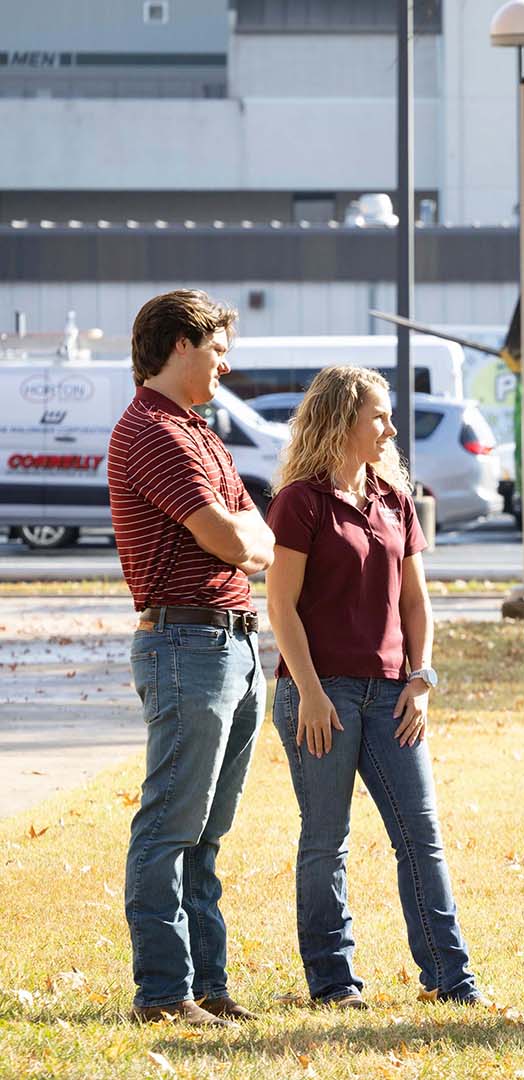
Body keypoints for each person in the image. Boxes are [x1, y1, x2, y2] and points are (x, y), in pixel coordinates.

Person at [264, 365, 482, 1009]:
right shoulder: (299, 502)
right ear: (341, 422)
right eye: (379, 417)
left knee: (421, 836)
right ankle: (334, 985)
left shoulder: (394, 500)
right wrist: (308, 691)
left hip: (393, 695)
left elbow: (416, 603)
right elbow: (281, 607)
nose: (390, 429)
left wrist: (421, 678)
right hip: (319, 695)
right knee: (326, 841)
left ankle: (452, 978)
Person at [109, 289, 275, 1027]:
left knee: (208, 834)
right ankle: (162, 996)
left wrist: (246, 532)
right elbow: (239, 542)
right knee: (170, 829)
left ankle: (209, 989)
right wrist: (243, 532)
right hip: (186, 644)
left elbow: (263, 534)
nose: (226, 364)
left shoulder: (198, 431)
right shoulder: (152, 432)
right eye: (217, 349)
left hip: (233, 642)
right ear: (180, 344)